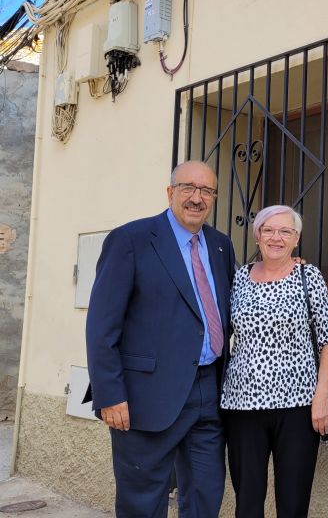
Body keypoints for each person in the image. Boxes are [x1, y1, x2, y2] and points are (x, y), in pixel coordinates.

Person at [85, 160, 237, 517]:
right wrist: (110, 394)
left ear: (214, 198)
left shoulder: (221, 246)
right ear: (170, 193)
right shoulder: (130, 240)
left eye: (206, 191)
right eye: (188, 188)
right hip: (145, 397)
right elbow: (101, 325)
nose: (197, 198)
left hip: (208, 391)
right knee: (143, 503)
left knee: (205, 495)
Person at [220, 205, 328, 518]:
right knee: (247, 503)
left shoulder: (308, 276)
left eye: (285, 231)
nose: (277, 237)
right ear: (257, 235)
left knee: (293, 502)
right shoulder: (238, 279)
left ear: (296, 238)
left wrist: (321, 397)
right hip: (242, 405)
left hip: (299, 406)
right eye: (269, 230)